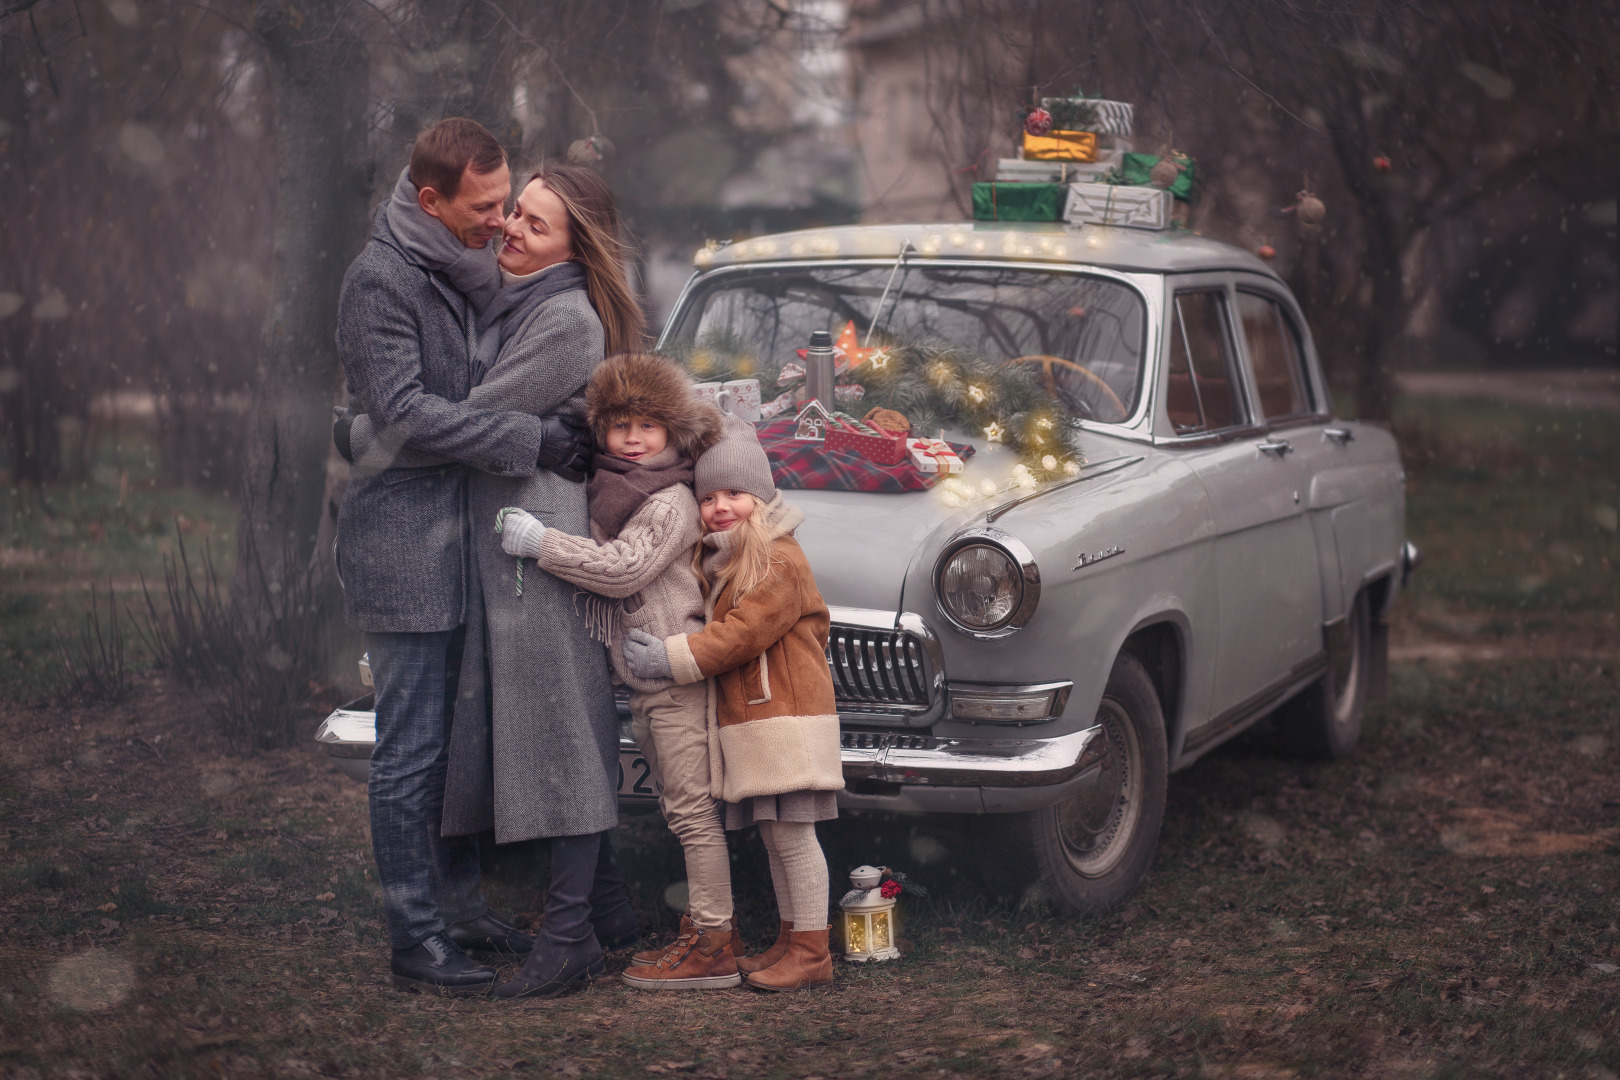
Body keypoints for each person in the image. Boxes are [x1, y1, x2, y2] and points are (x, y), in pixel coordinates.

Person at [346, 164, 647, 1001]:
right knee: (548, 725)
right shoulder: (508, 296)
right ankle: (611, 916)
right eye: (514, 211)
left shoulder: (561, 319)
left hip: (536, 546)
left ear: (573, 250)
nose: (513, 228)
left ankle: (569, 936)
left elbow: (460, 417)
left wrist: (358, 429)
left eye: (536, 225)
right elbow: (462, 416)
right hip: (503, 542)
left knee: (561, 729)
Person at [494, 352, 741, 991]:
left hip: (677, 680)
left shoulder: (669, 500)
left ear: (672, 434)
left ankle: (714, 938)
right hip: (646, 683)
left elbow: (624, 569)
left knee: (690, 811)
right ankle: (675, 927)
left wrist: (540, 544)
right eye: (620, 426)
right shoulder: (612, 491)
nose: (633, 439)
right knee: (674, 805)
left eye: (648, 426)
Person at [622, 416, 844, 992]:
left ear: (763, 497)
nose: (721, 506)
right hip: (761, 722)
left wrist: (669, 656)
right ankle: (791, 941)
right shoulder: (729, 558)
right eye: (709, 496)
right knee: (777, 834)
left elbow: (740, 636)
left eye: (736, 495)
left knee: (795, 837)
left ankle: (813, 951)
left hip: (787, 719)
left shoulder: (776, 558)